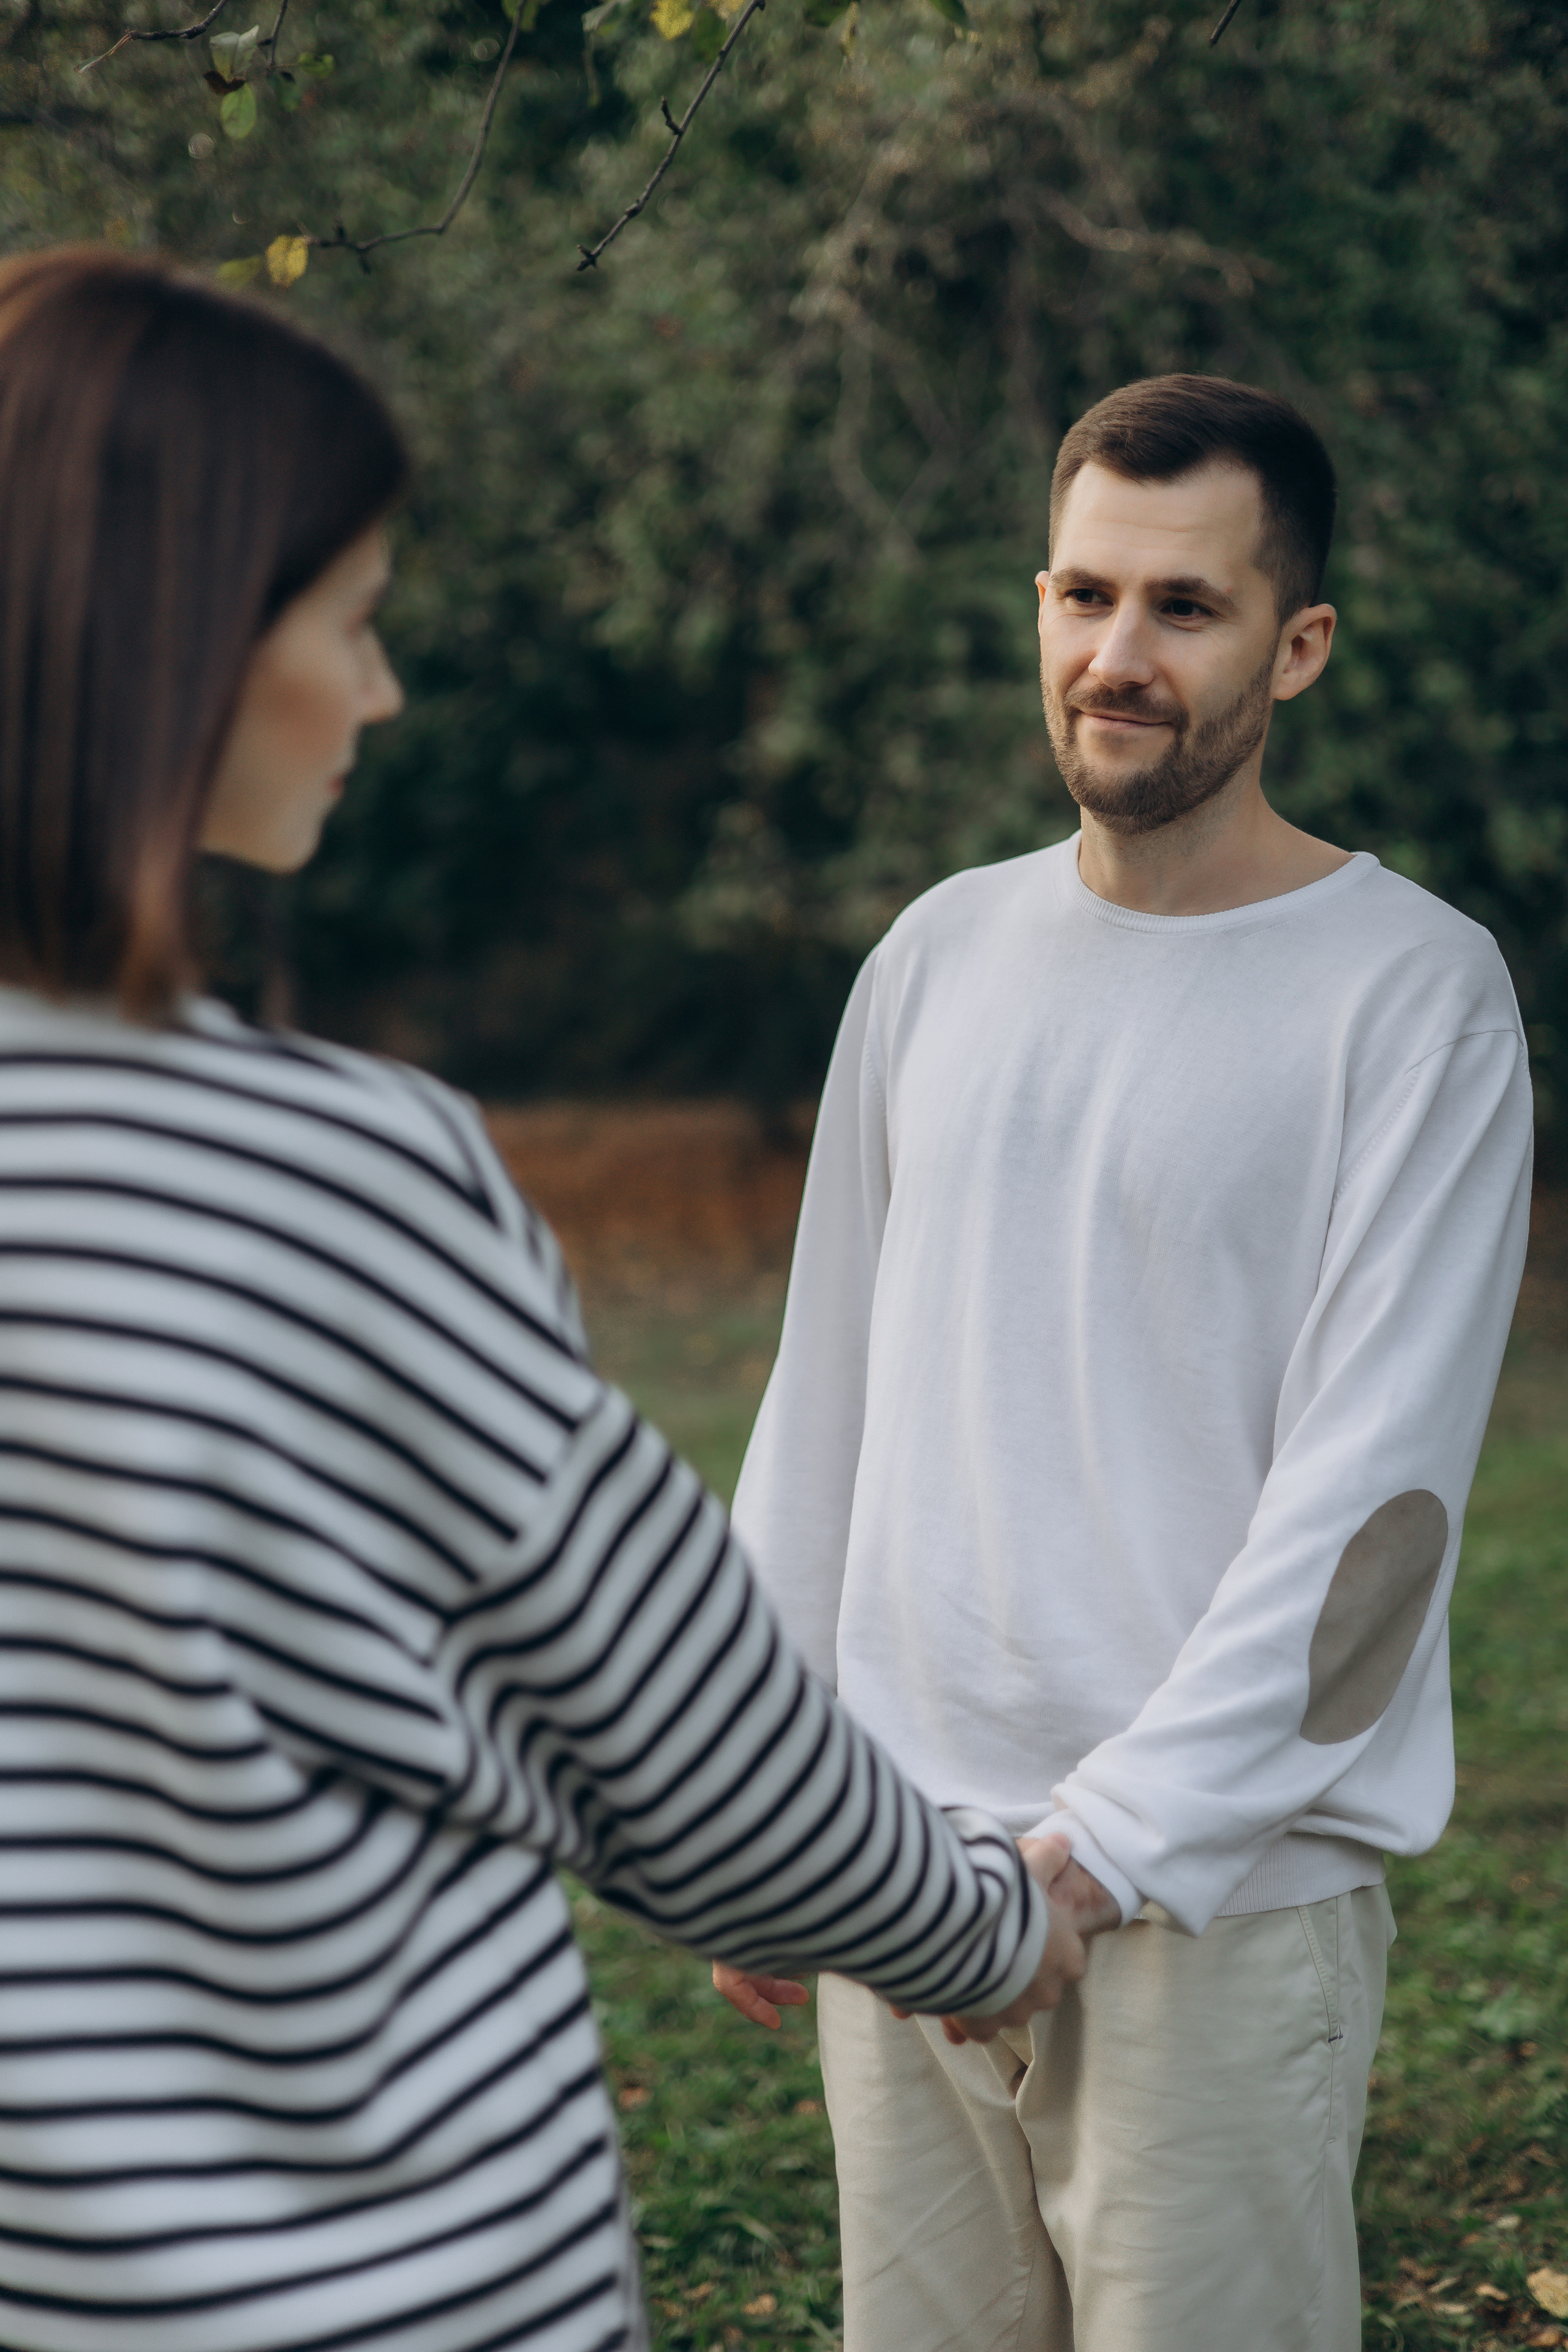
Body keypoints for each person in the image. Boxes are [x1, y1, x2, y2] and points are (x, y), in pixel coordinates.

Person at [0, 247, 1088, 2352]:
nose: (383, 692)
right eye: (356, 620)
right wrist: (975, 1927)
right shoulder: (331, 1177)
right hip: (382, 2285)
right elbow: (676, 1742)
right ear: (189, 653)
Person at [720, 374, 1534, 2352]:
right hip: (903, 1873)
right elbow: (824, 1403)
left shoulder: (1410, 997)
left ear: (1298, 642)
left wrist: (1101, 1858)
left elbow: (1378, 1526)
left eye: (1187, 608)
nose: (1119, 657)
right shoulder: (935, 956)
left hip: (1206, 1905)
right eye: (1085, 597)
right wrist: (764, 1794)